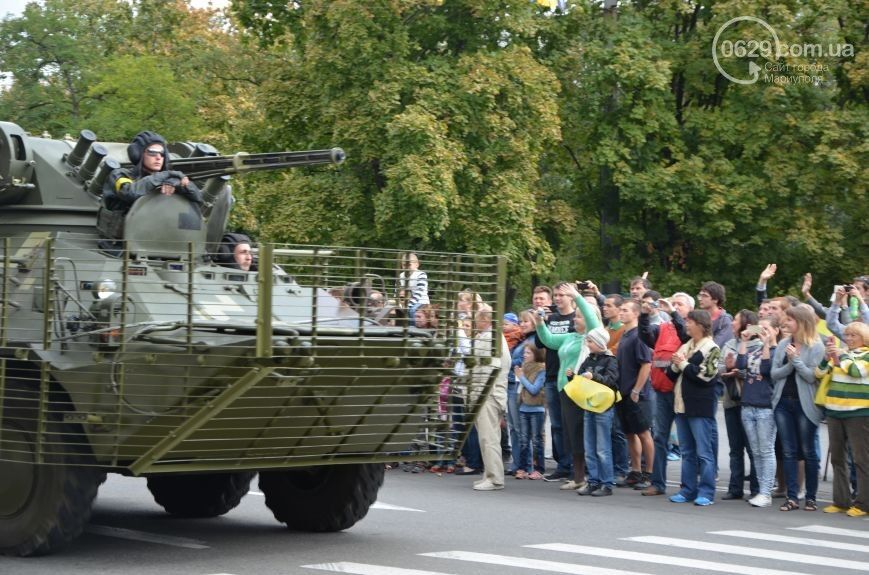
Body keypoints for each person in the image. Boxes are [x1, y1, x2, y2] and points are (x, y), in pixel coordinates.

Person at [534, 282, 603, 489]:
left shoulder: (590, 337)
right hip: (565, 390)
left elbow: (592, 321)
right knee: (571, 434)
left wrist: (577, 296)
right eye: (577, 316)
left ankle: (587, 477)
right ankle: (578, 476)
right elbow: (548, 340)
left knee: (580, 433)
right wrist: (539, 323)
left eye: (579, 317)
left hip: (580, 391)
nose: (576, 319)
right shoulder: (570, 336)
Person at [771, 304, 825, 512]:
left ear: (801, 323)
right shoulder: (784, 343)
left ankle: (810, 497)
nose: (786, 323)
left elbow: (812, 376)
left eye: (790, 320)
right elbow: (775, 374)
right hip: (783, 403)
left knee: (808, 450)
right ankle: (791, 497)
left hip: (806, 404)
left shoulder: (816, 346)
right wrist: (790, 364)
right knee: (788, 450)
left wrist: (796, 361)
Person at [638, 291, 692, 496]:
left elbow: (685, 337)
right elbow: (645, 336)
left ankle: (687, 485)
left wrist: (673, 314)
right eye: (673, 303)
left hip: (680, 391)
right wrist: (644, 315)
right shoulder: (663, 327)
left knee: (686, 440)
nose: (675, 306)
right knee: (660, 437)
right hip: (661, 390)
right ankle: (657, 483)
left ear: (689, 309)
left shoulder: (689, 327)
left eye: (680, 304)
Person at [666, 310, 721, 507]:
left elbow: (706, 376)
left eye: (689, 322)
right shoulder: (686, 345)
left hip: (700, 407)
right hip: (681, 405)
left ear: (700, 324)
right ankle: (687, 489)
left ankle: (706, 491)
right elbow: (672, 373)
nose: (686, 326)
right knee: (687, 451)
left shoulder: (711, 347)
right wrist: (676, 364)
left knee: (704, 452)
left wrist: (682, 364)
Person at [817, 321, 869, 517]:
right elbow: (819, 373)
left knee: (861, 459)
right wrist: (826, 358)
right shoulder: (841, 355)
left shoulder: (866, 355)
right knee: (838, 458)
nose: (848, 339)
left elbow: (857, 371)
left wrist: (842, 355)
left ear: (863, 338)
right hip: (834, 411)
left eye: (853, 335)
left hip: (859, 413)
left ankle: (864, 504)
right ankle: (841, 501)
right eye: (846, 335)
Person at [535, 282, 578, 482]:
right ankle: (563, 465)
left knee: (572, 425)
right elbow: (540, 342)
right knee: (557, 425)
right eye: (557, 295)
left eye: (562, 294)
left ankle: (575, 466)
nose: (559, 298)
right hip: (552, 375)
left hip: (571, 378)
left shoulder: (576, 320)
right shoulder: (551, 317)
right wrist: (540, 321)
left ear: (571, 297)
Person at [736, 315, 780, 507]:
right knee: (755, 451)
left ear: (776, 330)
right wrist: (744, 342)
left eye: (767, 329)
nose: (762, 332)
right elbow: (740, 366)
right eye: (759, 328)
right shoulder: (754, 348)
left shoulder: (778, 351)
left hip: (765, 407)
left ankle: (766, 492)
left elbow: (766, 370)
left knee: (766, 449)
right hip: (748, 404)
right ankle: (762, 489)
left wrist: (767, 344)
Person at [102, 131, 202, 214]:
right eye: (152, 152)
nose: (158, 157)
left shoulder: (168, 179)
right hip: (120, 236)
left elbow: (199, 199)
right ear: (139, 154)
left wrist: (178, 183)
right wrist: (164, 175)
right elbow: (129, 192)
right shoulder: (119, 175)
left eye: (162, 153)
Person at [718, 309, 759, 501]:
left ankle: (757, 488)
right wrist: (726, 368)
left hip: (751, 402)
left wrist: (738, 371)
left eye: (736, 320)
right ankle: (735, 488)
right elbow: (717, 367)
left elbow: (759, 371)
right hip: (731, 400)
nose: (733, 323)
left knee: (752, 447)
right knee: (735, 447)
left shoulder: (759, 345)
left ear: (747, 325)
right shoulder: (729, 344)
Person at [614, 299, 655, 490]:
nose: (620, 313)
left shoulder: (639, 336)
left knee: (644, 433)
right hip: (622, 392)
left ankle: (649, 473)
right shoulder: (625, 334)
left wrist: (636, 390)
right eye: (620, 309)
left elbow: (646, 364)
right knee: (630, 433)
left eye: (625, 310)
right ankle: (635, 471)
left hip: (636, 394)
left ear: (636, 313)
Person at [470, 304, 511, 491]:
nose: (474, 322)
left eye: (477, 317)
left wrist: (474, 394)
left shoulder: (490, 339)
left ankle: (494, 478)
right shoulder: (491, 337)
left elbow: (484, 371)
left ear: (485, 319)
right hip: (489, 393)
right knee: (488, 437)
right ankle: (489, 474)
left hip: (487, 394)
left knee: (489, 438)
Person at [575, 327, 619, 496]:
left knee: (602, 447)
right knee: (590, 446)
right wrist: (573, 376)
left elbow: (611, 381)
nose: (588, 344)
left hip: (603, 407)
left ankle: (606, 483)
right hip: (589, 405)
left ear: (600, 343)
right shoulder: (588, 359)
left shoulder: (611, 360)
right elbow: (580, 377)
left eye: (591, 341)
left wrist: (594, 377)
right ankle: (593, 481)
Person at [514, 344, 547, 480]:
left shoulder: (541, 369)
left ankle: (539, 468)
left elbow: (534, 389)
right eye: (524, 352)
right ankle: (523, 467)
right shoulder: (524, 367)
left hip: (536, 408)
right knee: (523, 440)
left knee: (537, 440)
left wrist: (521, 376)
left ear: (536, 355)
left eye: (528, 353)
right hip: (523, 407)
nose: (525, 355)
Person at [397, 252, 430, 323]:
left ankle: (412, 330)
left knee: (412, 310)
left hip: (421, 302)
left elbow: (419, 293)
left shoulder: (421, 275)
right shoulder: (401, 276)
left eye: (409, 265)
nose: (406, 267)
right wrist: (398, 303)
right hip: (407, 302)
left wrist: (408, 305)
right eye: (404, 265)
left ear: (417, 264)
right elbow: (398, 291)